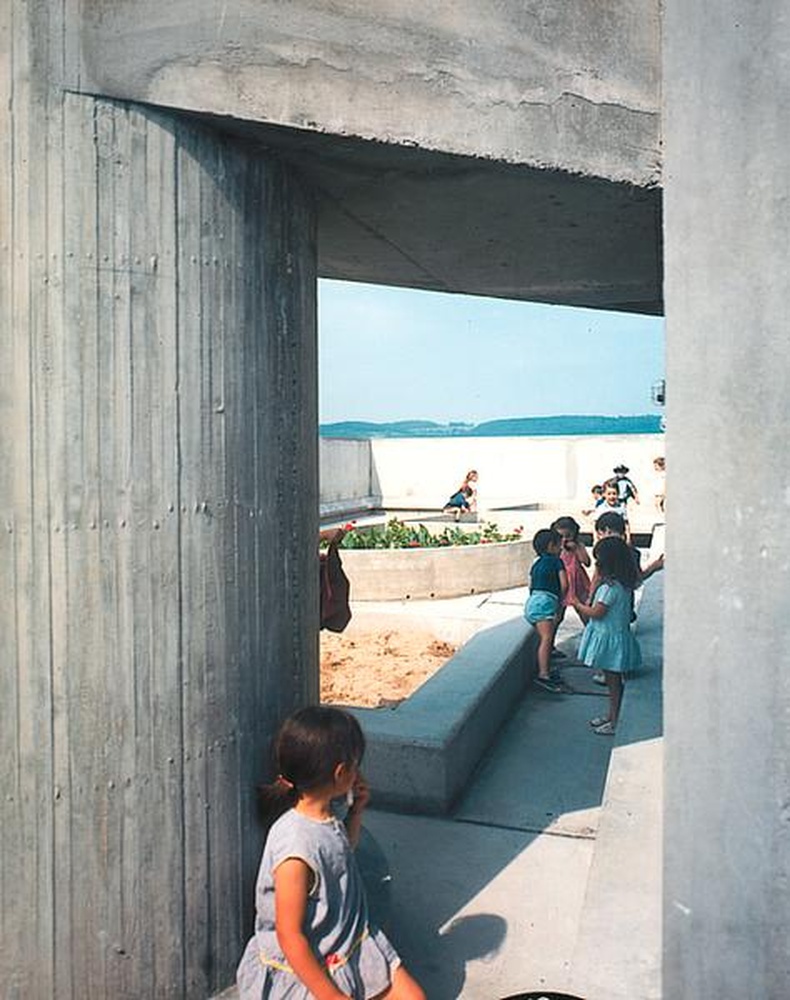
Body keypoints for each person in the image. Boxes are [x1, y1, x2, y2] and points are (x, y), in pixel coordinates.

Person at [237, 706, 426, 1000]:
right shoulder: (295, 850)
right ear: (341, 773)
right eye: (356, 764)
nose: (359, 771)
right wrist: (332, 997)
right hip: (307, 970)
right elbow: (290, 936)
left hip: (349, 945)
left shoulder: (325, 817)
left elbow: (340, 855)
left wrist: (356, 812)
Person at [570, 536, 642, 736]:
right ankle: (611, 714)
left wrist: (578, 604)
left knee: (613, 683)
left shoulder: (609, 589)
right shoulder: (624, 584)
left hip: (609, 640)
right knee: (612, 683)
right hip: (615, 637)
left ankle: (615, 720)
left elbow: (597, 612)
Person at [523, 527, 567, 693]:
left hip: (533, 600)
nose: (561, 549)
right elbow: (564, 584)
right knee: (547, 639)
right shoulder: (557, 561)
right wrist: (560, 601)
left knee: (545, 637)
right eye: (559, 545)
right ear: (551, 546)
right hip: (546, 601)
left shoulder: (536, 562)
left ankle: (546, 668)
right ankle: (543, 674)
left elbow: (530, 583)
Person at [551, 515, 592, 638]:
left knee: (584, 612)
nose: (564, 540)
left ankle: (592, 637)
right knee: (558, 616)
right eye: (561, 537)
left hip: (577, 582)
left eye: (567, 536)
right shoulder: (556, 548)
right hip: (562, 583)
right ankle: (550, 643)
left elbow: (587, 562)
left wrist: (577, 549)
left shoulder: (578, 545)